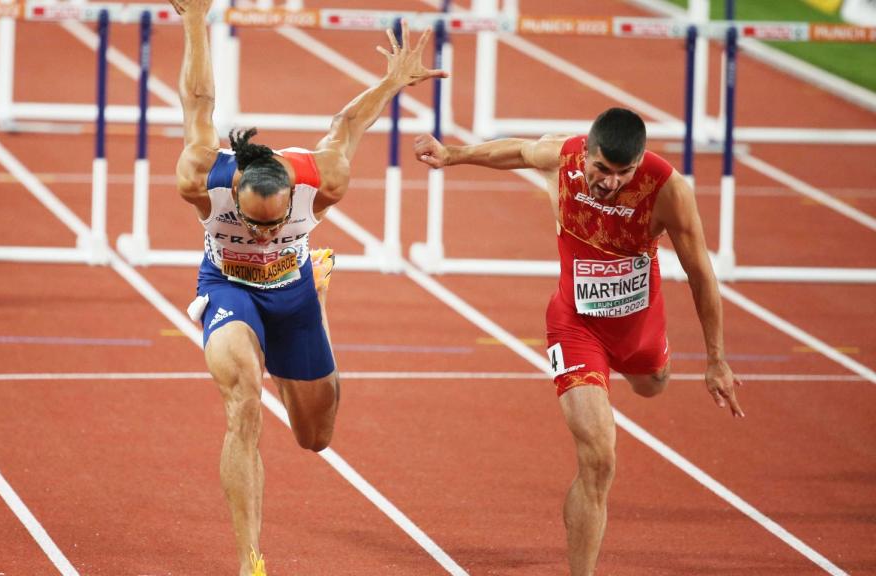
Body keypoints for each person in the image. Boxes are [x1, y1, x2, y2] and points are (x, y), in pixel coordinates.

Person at [169, 0, 447, 573]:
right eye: (251, 220)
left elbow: (348, 127)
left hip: (292, 291)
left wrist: (391, 83)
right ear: (237, 189)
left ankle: (316, 292)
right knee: (243, 401)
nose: (262, 230)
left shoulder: (324, 178)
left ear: (292, 197)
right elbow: (198, 103)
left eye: (273, 223)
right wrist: (196, 19)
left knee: (315, 438)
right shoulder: (202, 174)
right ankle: (250, 558)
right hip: (226, 287)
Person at [414, 107, 745, 575]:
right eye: (602, 169)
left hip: (639, 324)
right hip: (575, 325)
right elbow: (516, 151)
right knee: (599, 459)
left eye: (623, 173)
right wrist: (454, 155)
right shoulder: (561, 155)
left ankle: (649, 364)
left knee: (653, 383)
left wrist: (717, 359)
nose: (610, 182)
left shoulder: (668, 191)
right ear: (586, 151)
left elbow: (701, 275)